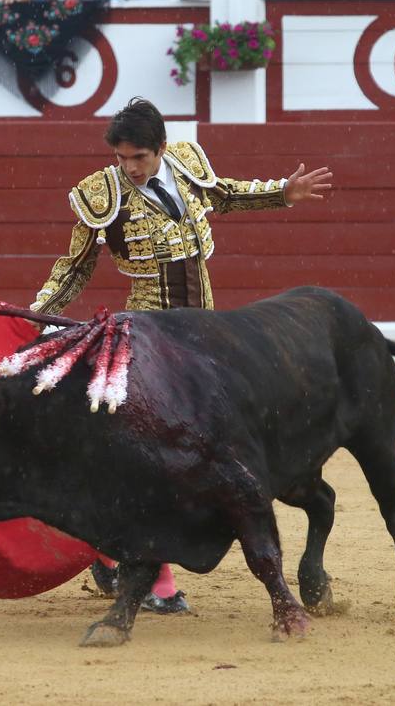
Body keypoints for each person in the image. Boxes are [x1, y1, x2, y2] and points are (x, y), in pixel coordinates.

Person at [29, 98, 333, 612]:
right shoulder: (101, 194)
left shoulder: (188, 164)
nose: (130, 168)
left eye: (139, 158)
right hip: (150, 332)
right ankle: (149, 572)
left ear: (161, 149)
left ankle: (113, 551)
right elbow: (75, 266)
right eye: (122, 159)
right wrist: (37, 316)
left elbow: (228, 196)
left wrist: (283, 192)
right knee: (153, 451)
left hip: (206, 327)